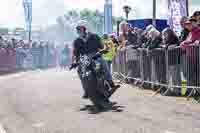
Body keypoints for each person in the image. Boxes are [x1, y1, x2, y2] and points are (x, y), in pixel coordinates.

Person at [72, 20, 120, 99]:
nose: (78, 31)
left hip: (96, 56)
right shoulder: (77, 41)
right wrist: (74, 62)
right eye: (77, 29)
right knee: (79, 70)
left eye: (80, 29)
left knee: (103, 64)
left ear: (86, 29)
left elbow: (102, 46)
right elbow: (76, 54)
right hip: (85, 59)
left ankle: (111, 83)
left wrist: (104, 49)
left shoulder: (95, 37)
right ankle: (86, 90)